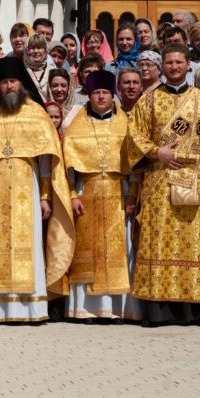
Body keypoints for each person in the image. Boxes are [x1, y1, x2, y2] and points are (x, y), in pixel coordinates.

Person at [124, 43, 200, 327]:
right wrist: (156, 151)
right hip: (159, 183)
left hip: (198, 183)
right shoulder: (147, 101)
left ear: (188, 65)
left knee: (197, 243)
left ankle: (197, 310)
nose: (174, 67)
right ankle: (159, 311)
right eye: (169, 63)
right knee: (160, 242)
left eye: (178, 62)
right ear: (163, 66)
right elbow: (133, 137)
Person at [0, 57, 73, 324]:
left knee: (29, 243)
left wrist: (46, 197)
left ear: (21, 84)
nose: (9, 86)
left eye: (13, 81)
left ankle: (30, 308)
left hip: (29, 186)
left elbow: (46, 159)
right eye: (4, 82)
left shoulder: (36, 114)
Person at [59, 70, 140, 321]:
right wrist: (72, 195)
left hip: (119, 192)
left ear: (112, 94)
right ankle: (86, 309)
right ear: (90, 96)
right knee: (87, 250)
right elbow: (68, 167)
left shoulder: (126, 125)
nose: (101, 97)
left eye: (105, 92)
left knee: (122, 249)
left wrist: (132, 196)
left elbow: (135, 164)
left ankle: (121, 309)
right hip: (88, 192)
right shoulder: (76, 128)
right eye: (96, 93)